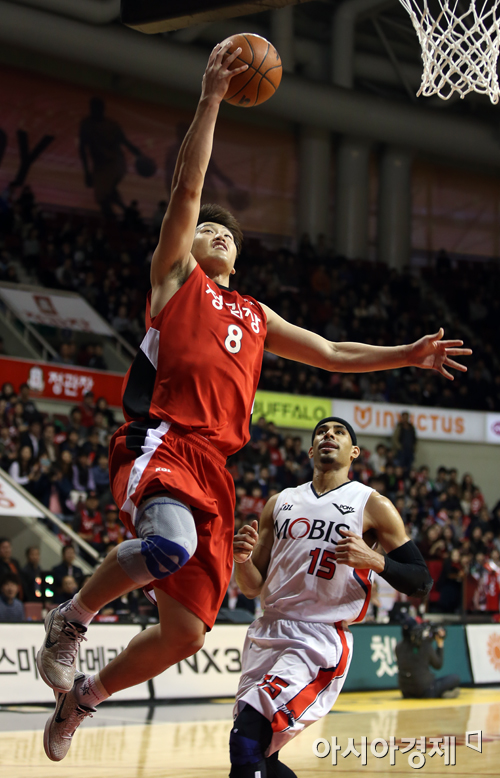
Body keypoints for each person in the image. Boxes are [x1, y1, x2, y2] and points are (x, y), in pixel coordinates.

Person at [36, 42, 470, 763]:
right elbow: (187, 189)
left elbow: (332, 353)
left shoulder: (256, 315)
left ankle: (83, 698)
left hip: (217, 470)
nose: (215, 233)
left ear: (238, 259)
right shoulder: (175, 281)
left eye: (227, 234)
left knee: (186, 633)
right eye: (208, 229)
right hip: (163, 440)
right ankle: (72, 617)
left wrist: (408, 354)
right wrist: (210, 98)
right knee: (168, 544)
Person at [229, 417, 433, 777]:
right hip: (267, 632)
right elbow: (251, 587)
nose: (329, 435)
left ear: (354, 452)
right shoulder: (279, 502)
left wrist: (375, 560)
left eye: (339, 433)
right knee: (261, 752)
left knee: (246, 738)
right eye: (322, 432)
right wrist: (241, 560)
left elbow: (421, 581)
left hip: (318, 639)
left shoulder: (372, 504)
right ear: (311, 450)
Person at [395, 619, 460, 698]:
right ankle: (441, 693)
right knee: (455, 678)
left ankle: (441, 693)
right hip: (426, 691)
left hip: (406, 692)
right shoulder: (425, 645)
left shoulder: (398, 646)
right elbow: (438, 665)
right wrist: (440, 644)